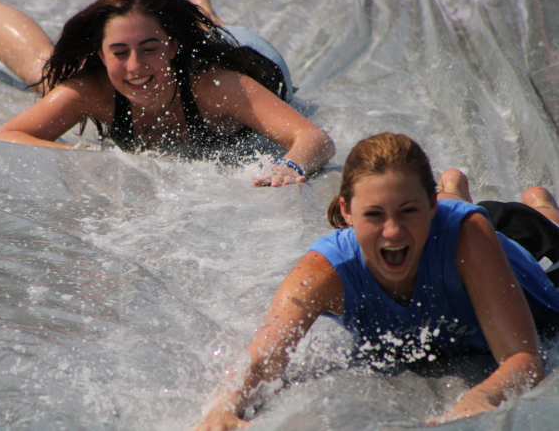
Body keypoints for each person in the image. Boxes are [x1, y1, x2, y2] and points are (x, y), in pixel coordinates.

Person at [194, 132, 559, 430]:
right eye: (373, 215)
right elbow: (262, 361)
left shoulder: (468, 236)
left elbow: (523, 359)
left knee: (540, 223)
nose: (392, 231)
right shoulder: (324, 270)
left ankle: (535, 202)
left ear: (429, 207)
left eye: (408, 211)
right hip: (443, 222)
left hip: (527, 252)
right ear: (346, 212)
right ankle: (452, 189)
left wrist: (482, 397)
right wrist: (224, 408)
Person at [0, 0, 335, 187]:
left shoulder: (217, 86)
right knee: (49, 76)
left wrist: (290, 167)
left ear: (172, 47)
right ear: (101, 55)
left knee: (201, 41)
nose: (136, 67)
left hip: (245, 52)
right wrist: (96, 160)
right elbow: (7, 135)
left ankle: (202, 19)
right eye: (118, 53)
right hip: (181, 40)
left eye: (149, 50)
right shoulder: (93, 90)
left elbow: (313, 139)